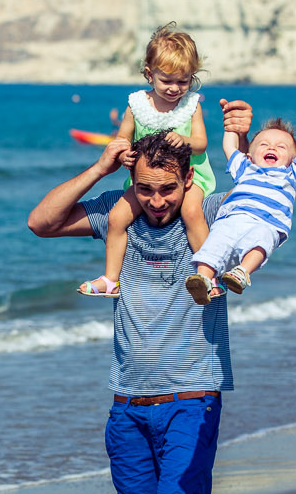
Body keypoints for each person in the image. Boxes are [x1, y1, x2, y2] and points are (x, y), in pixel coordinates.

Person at [28, 102, 252, 494]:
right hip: (127, 401)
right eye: (147, 189)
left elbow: (266, 199)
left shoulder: (210, 216)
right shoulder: (118, 213)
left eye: (169, 190)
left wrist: (244, 137)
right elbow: (41, 222)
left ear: (187, 183)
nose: (158, 201)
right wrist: (102, 167)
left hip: (192, 393)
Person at [78, 23, 215, 298]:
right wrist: (124, 153)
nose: (175, 88)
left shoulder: (191, 105)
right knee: (117, 217)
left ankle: (208, 275)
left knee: (191, 213)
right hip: (144, 180)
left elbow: (201, 143)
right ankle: (111, 279)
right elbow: (122, 138)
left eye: (183, 81)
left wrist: (185, 140)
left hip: (190, 177)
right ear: (149, 75)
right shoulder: (136, 105)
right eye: (167, 81)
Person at [185, 116, 296, 304]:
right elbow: (229, 147)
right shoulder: (246, 168)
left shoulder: (291, 175)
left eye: (281, 147)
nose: (272, 148)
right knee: (214, 243)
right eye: (264, 144)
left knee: (262, 240)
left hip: (267, 223)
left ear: (293, 160)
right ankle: (203, 279)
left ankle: (242, 272)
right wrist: (230, 126)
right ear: (249, 155)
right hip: (231, 219)